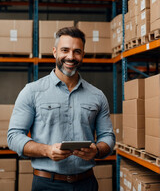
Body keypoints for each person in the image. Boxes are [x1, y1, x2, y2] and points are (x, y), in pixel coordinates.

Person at [8, 26, 115, 191]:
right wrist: (47, 150)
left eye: (77, 51)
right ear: (54, 52)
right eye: (65, 50)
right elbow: (14, 137)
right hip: (46, 184)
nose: (71, 57)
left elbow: (108, 137)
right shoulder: (32, 91)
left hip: (86, 184)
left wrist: (97, 150)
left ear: (83, 55)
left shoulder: (97, 96)